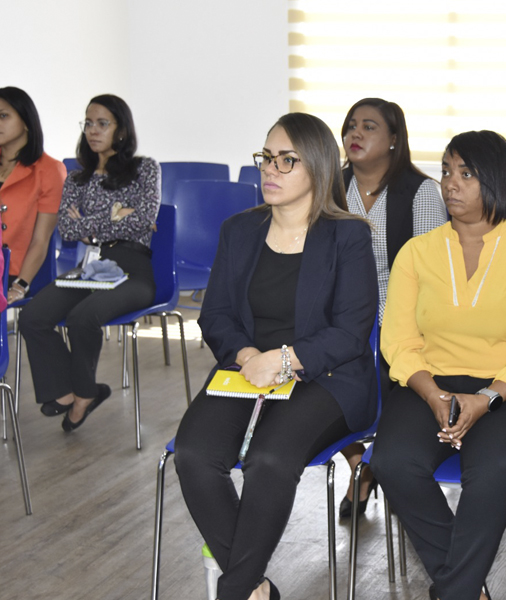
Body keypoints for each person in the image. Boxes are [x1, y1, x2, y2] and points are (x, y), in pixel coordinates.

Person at [174, 112, 378, 600]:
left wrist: (284, 359)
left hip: (325, 377)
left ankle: (236, 590)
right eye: (267, 157)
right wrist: (247, 354)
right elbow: (216, 314)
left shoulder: (348, 236)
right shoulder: (239, 231)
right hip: (245, 368)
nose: (271, 169)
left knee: (269, 458)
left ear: (319, 168)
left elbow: (351, 332)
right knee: (194, 455)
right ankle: (256, 589)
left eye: (288, 160)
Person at [371, 130, 506, 600]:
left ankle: (452, 592)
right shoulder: (416, 254)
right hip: (428, 385)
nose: (450, 184)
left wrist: (487, 398)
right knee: (392, 461)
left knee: (495, 467)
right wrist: (432, 392)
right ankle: (466, 590)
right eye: (445, 172)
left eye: (466, 173)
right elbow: (397, 340)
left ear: (495, 180)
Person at [18, 94, 160, 429]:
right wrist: (117, 214)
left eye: (102, 123)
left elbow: (144, 220)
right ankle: (69, 391)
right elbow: (67, 229)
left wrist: (89, 222)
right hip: (92, 268)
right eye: (88, 123)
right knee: (33, 316)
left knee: (85, 316)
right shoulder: (78, 176)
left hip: (134, 269)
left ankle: (84, 394)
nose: (92, 130)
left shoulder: (145, 168)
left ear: (121, 129)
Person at [339, 97, 446, 518]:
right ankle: (358, 465)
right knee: (319, 382)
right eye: (350, 126)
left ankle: (383, 461)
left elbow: (431, 278)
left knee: (377, 383)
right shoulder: (330, 185)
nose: (355, 134)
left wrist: (395, 328)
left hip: (400, 316)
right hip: (342, 315)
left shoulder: (420, 193)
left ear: (394, 140)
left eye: (368, 127)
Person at [0, 86, 67, 306]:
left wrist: (20, 285)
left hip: (14, 270)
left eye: (3, 116)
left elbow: (41, 240)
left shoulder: (49, 170)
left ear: (27, 122)